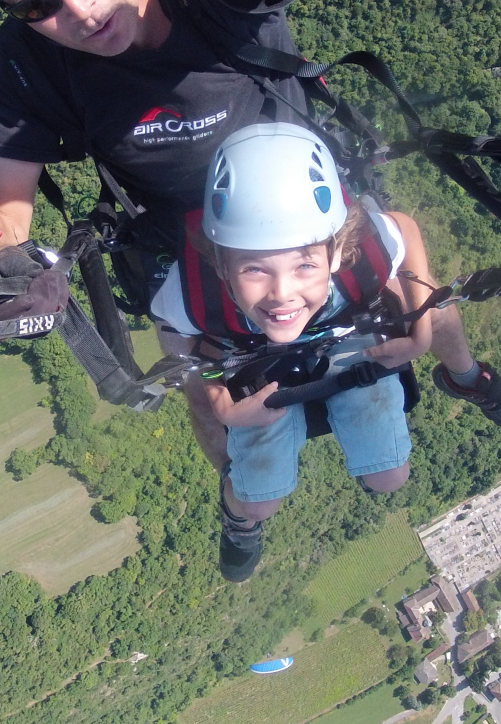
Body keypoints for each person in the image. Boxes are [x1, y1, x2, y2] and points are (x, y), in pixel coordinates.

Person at [0, 0, 501, 560]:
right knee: (229, 440)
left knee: (428, 307)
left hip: (303, 212)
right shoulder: (26, 63)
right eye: (37, 3)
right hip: (195, 254)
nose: (79, 8)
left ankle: (465, 376)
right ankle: (243, 511)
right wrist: (2, 265)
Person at [151, 123, 433, 579]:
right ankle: (240, 518)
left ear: (337, 253)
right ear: (220, 264)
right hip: (251, 367)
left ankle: (354, 449)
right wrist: (224, 407)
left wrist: (421, 333)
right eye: (255, 269)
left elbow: (407, 232)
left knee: (389, 477)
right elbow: (186, 354)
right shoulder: (190, 294)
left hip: (342, 341)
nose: (282, 294)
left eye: (305, 265)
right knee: (260, 501)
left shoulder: (367, 253)